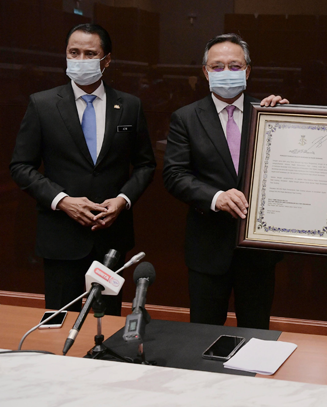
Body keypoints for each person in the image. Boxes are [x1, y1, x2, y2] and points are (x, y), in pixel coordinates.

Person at [10, 24, 156, 315]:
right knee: (59, 322)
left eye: (90, 54)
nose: (80, 59)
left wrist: (123, 200)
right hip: (61, 237)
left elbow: (145, 164)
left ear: (106, 60)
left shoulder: (129, 106)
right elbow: (21, 166)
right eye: (73, 52)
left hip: (111, 238)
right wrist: (62, 200)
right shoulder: (43, 104)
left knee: (107, 322)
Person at [162, 33, 288, 329]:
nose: (226, 73)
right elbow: (174, 175)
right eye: (217, 67)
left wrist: (287, 121)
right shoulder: (186, 118)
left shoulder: (269, 114)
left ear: (248, 71)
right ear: (205, 72)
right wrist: (215, 197)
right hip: (208, 247)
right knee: (203, 333)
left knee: (256, 333)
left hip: (257, 251)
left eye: (234, 65)